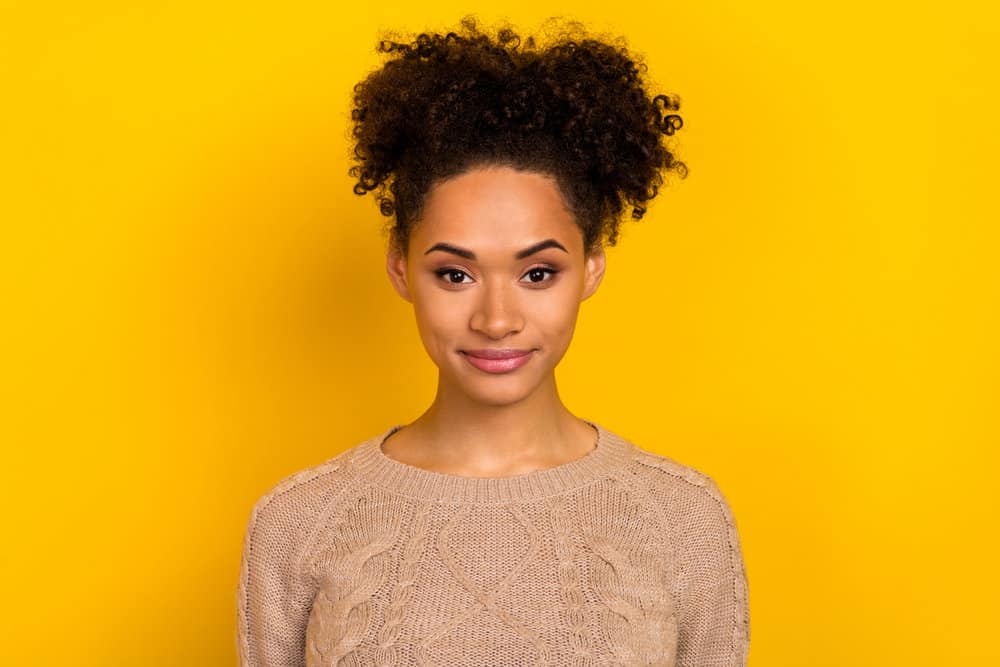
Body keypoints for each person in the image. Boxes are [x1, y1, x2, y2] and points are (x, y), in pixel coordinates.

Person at [236, 16, 750, 666]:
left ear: (592, 265)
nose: (497, 318)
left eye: (538, 272)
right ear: (399, 265)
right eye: (455, 273)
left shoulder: (683, 519)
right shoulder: (299, 523)